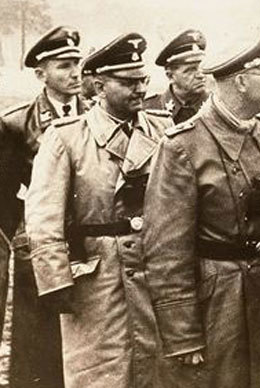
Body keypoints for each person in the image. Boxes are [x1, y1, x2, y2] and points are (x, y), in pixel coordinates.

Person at [143, 29, 260, 387]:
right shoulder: (183, 146)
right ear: (241, 82)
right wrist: (182, 333)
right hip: (217, 301)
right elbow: (166, 250)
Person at [24, 32, 175, 387]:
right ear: (99, 86)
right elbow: (43, 217)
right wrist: (57, 282)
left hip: (156, 273)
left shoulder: (164, 130)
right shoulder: (66, 137)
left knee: (160, 372)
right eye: (128, 82)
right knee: (100, 372)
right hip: (96, 281)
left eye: (143, 80)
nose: (140, 89)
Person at [0, 25, 89, 388]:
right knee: (37, 343)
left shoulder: (93, 115)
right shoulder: (16, 124)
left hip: (84, 244)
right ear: (41, 74)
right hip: (37, 247)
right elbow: (5, 195)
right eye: (63, 66)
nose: (74, 74)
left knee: (84, 336)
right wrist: (22, 241)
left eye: (76, 65)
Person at [144, 29, 209, 123]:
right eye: (190, 70)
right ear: (170, 76)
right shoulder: (148, 110)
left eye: (201, 67)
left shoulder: (219, 107)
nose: (201, 75)